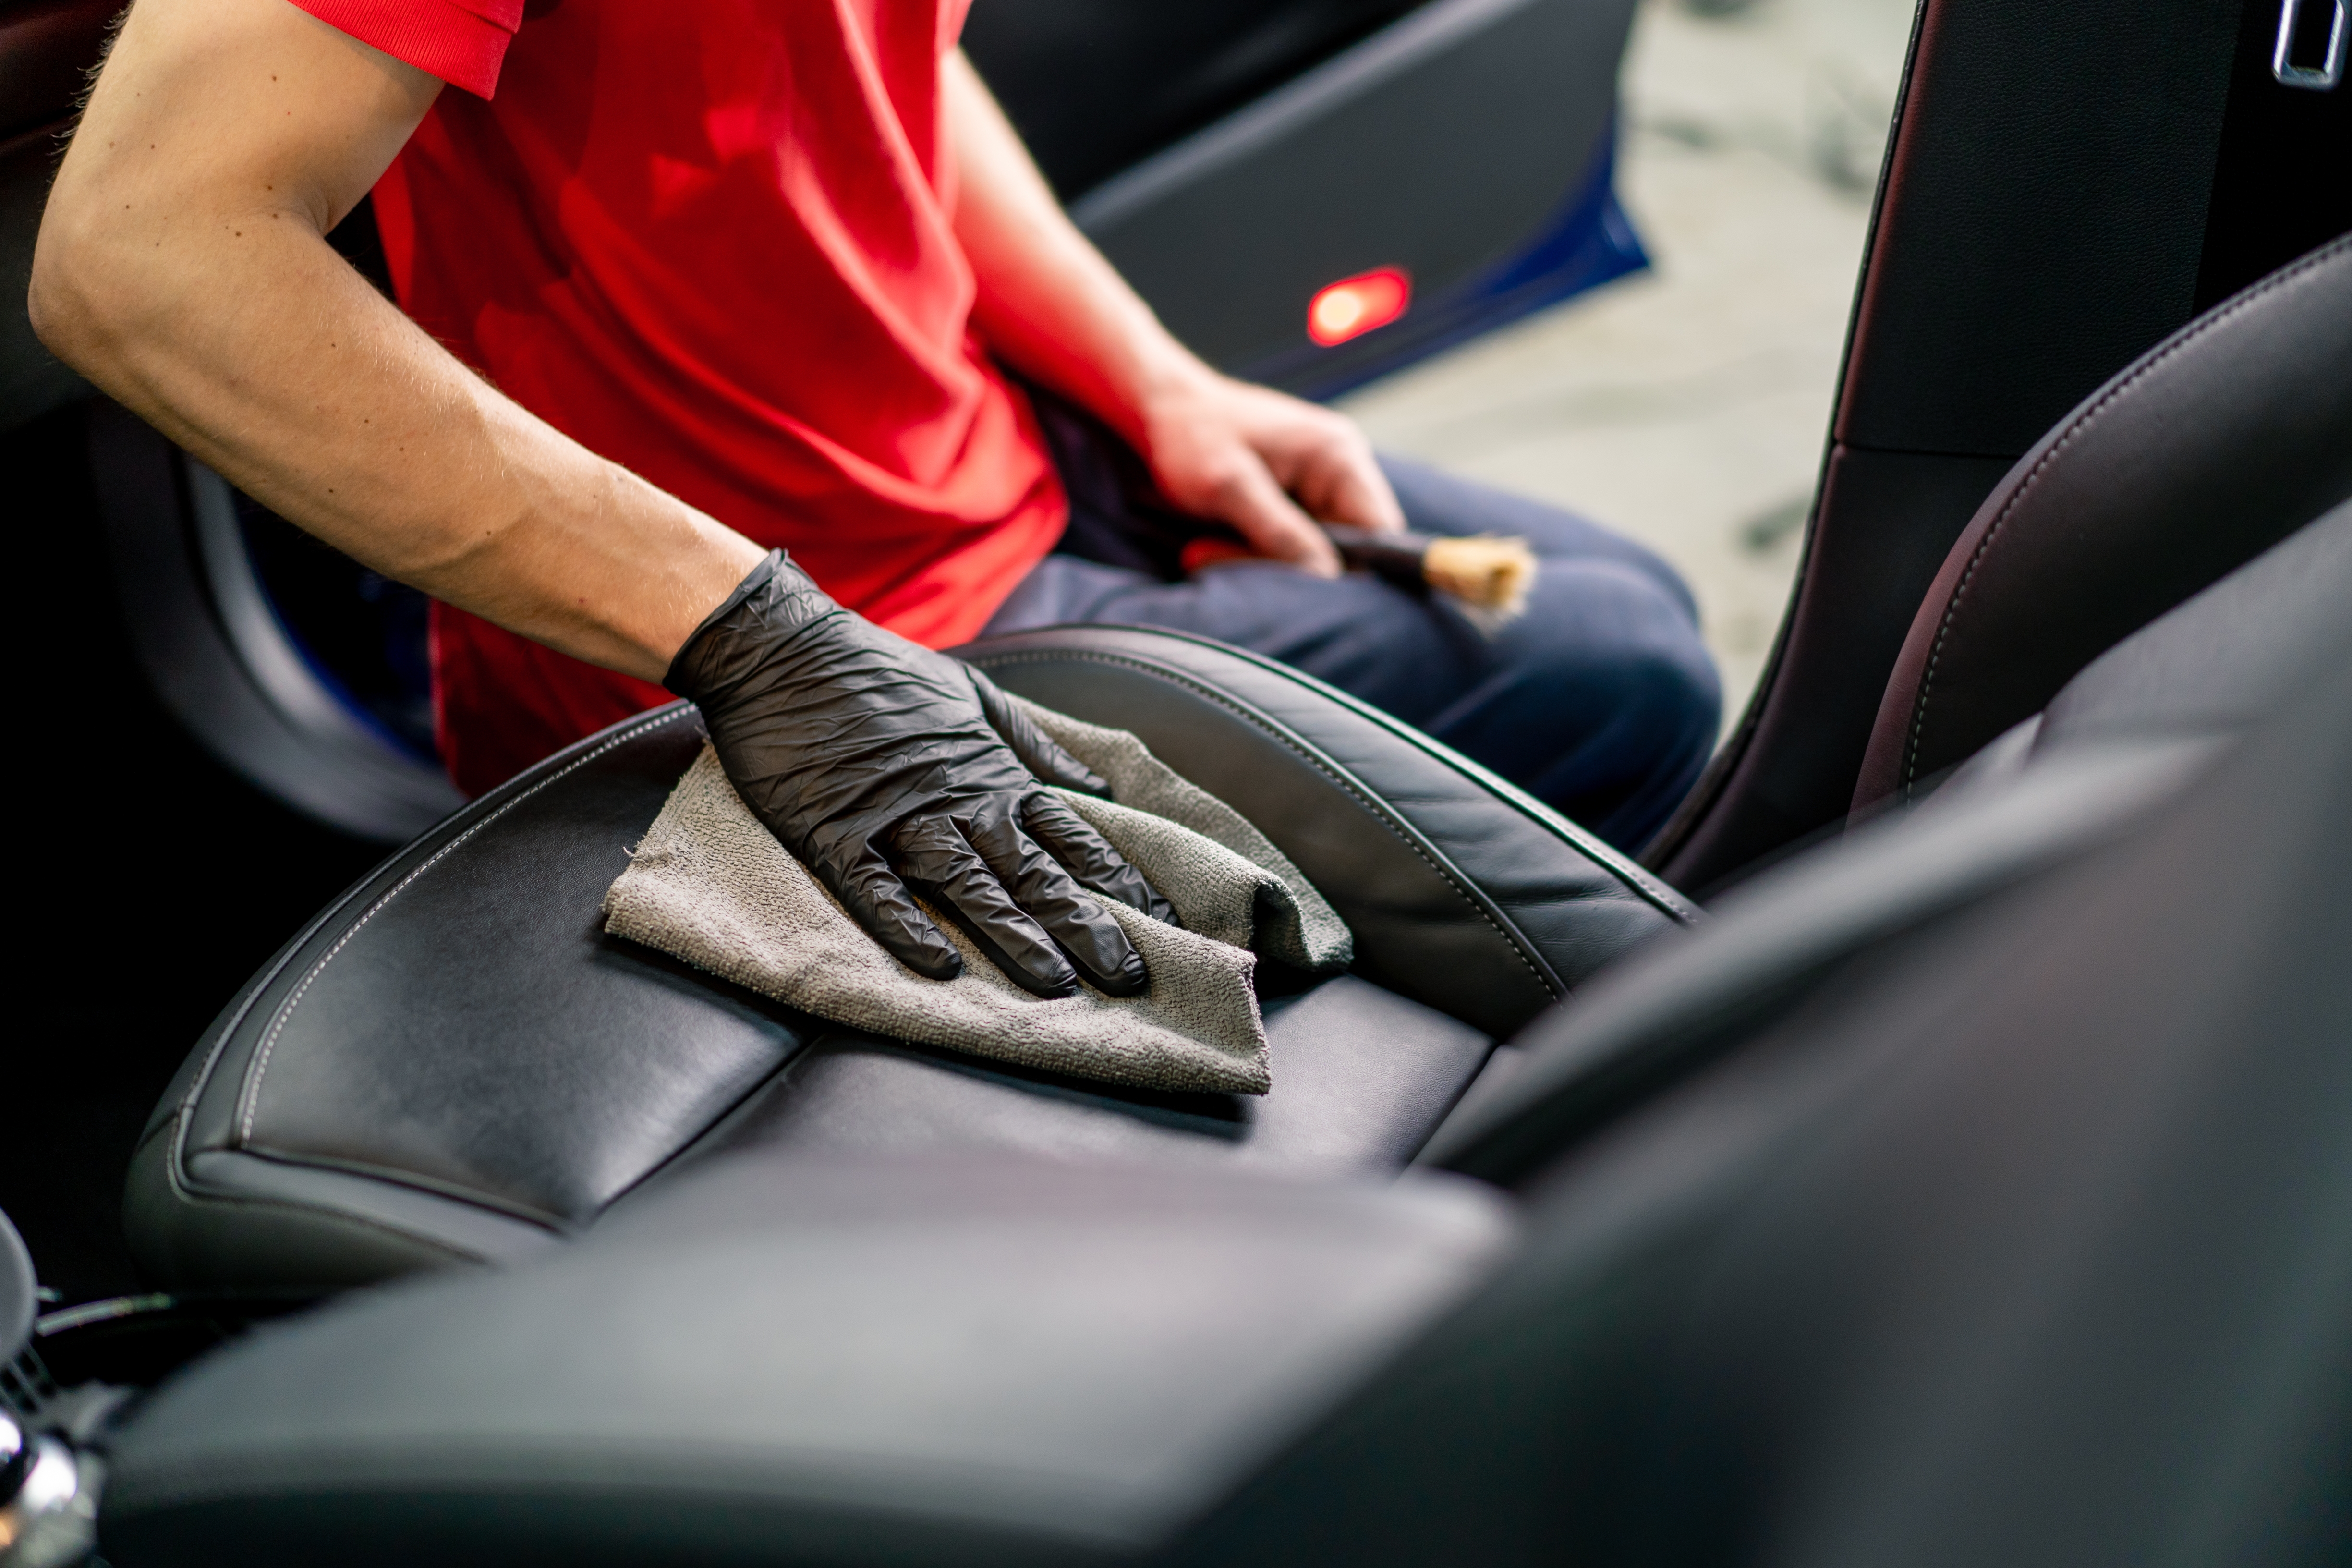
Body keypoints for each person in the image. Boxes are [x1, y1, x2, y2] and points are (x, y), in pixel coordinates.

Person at [31, 0, 1717, 996]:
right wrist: (761, 645)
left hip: (983, 469)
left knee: (1615, 611)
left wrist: (1156, 386)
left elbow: (881, 60)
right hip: (775, 674)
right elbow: (150, 255)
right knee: (1624, 676)